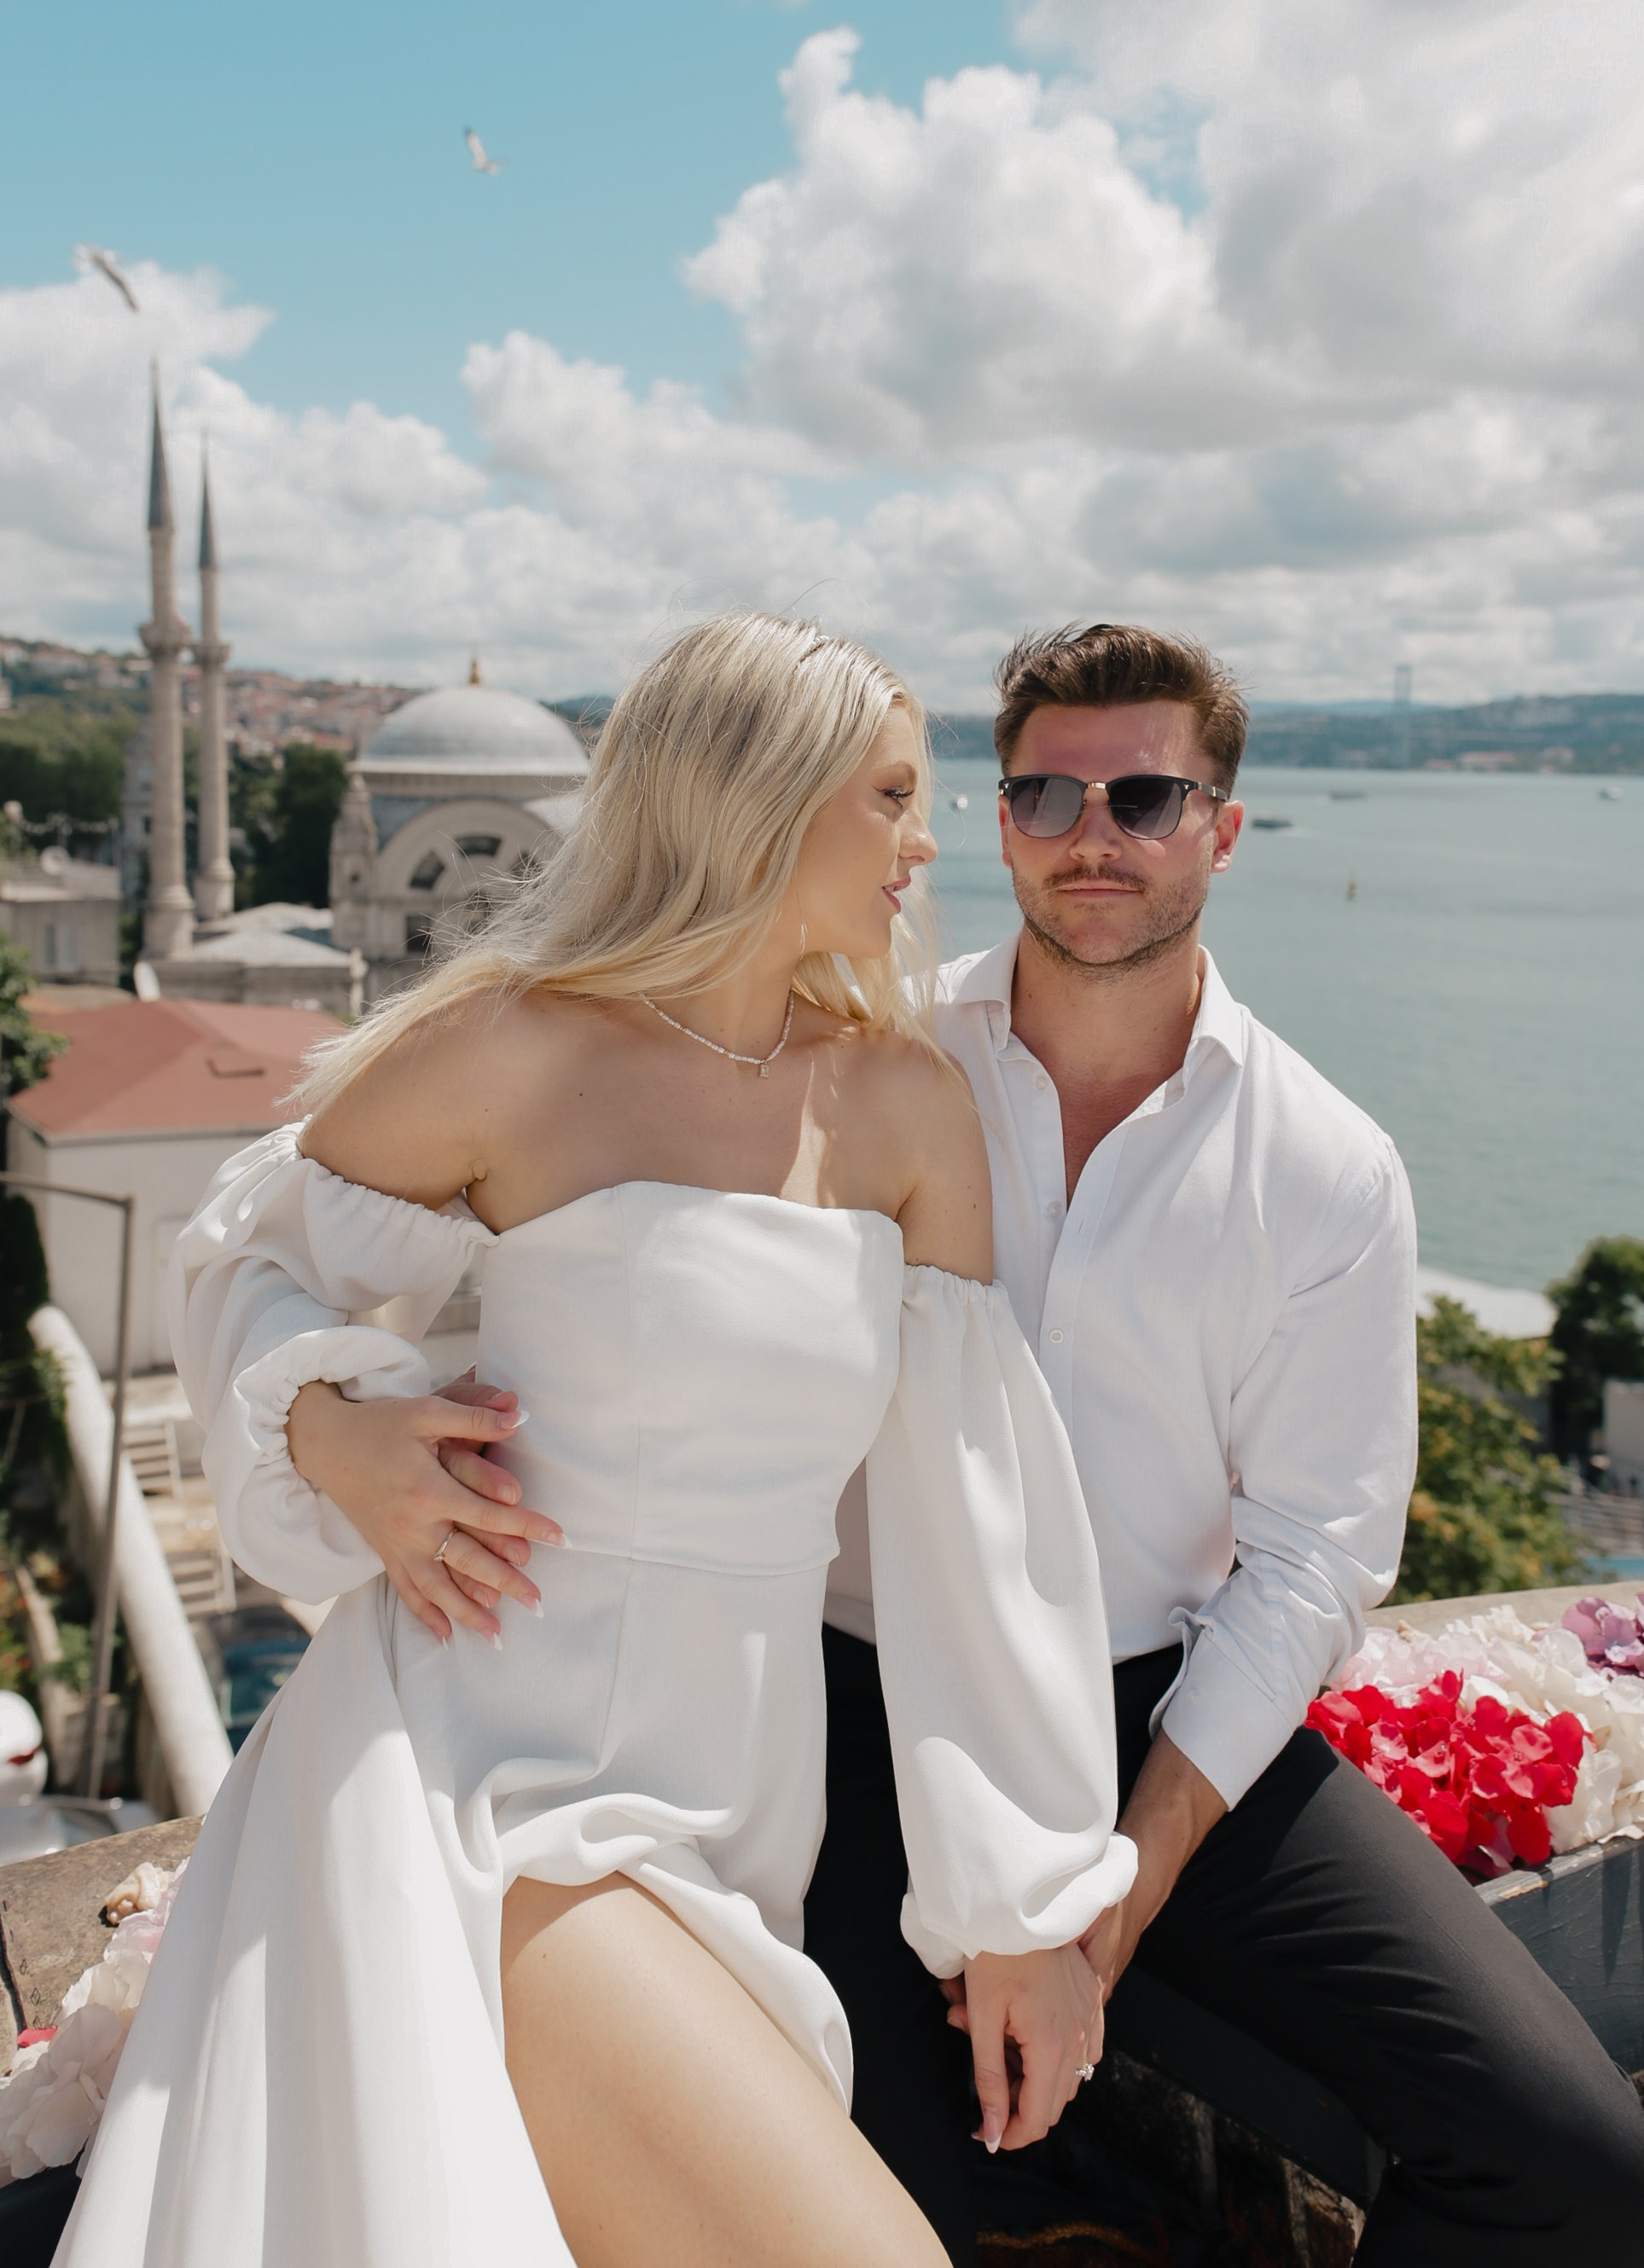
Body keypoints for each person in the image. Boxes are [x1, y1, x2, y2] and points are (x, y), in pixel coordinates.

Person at [57, 614, 1136, 2268]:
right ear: (754, 800)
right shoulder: (513, 1049)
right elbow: (239, 1258)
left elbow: (969, 1529)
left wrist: (1023, 1911)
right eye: (890, 796)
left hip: (735, 1816)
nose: (930, 841)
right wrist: (330, 1424)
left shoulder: (900, 1105)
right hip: (482, 1776)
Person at [806, 623, 1644, 2266]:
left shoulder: (1328, 1164)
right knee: (901, 2201)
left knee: (1573, 2167)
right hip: (860, 1699)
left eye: (1142, 792)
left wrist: (1131, 1870)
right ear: (997, 820)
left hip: (1158, 1712)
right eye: (1045, 792)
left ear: (1223, 826)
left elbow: (1321, 1551)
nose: (1089, 831)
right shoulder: (873, 1065)